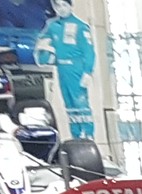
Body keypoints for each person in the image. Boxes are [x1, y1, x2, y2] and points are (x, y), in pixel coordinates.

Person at [34, 0, 98, 139]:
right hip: (61, 69)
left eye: (64, 5)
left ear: (70, 6)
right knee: (68, 104)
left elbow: (89, 51)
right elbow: (42, 42)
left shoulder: (81, 26)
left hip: (76, 68)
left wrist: (88, 71)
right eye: (58, 5)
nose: (61, 9)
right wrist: (44, 55)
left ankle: (88, 134)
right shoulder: (52, 26)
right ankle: (76, 135)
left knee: (80, 102)